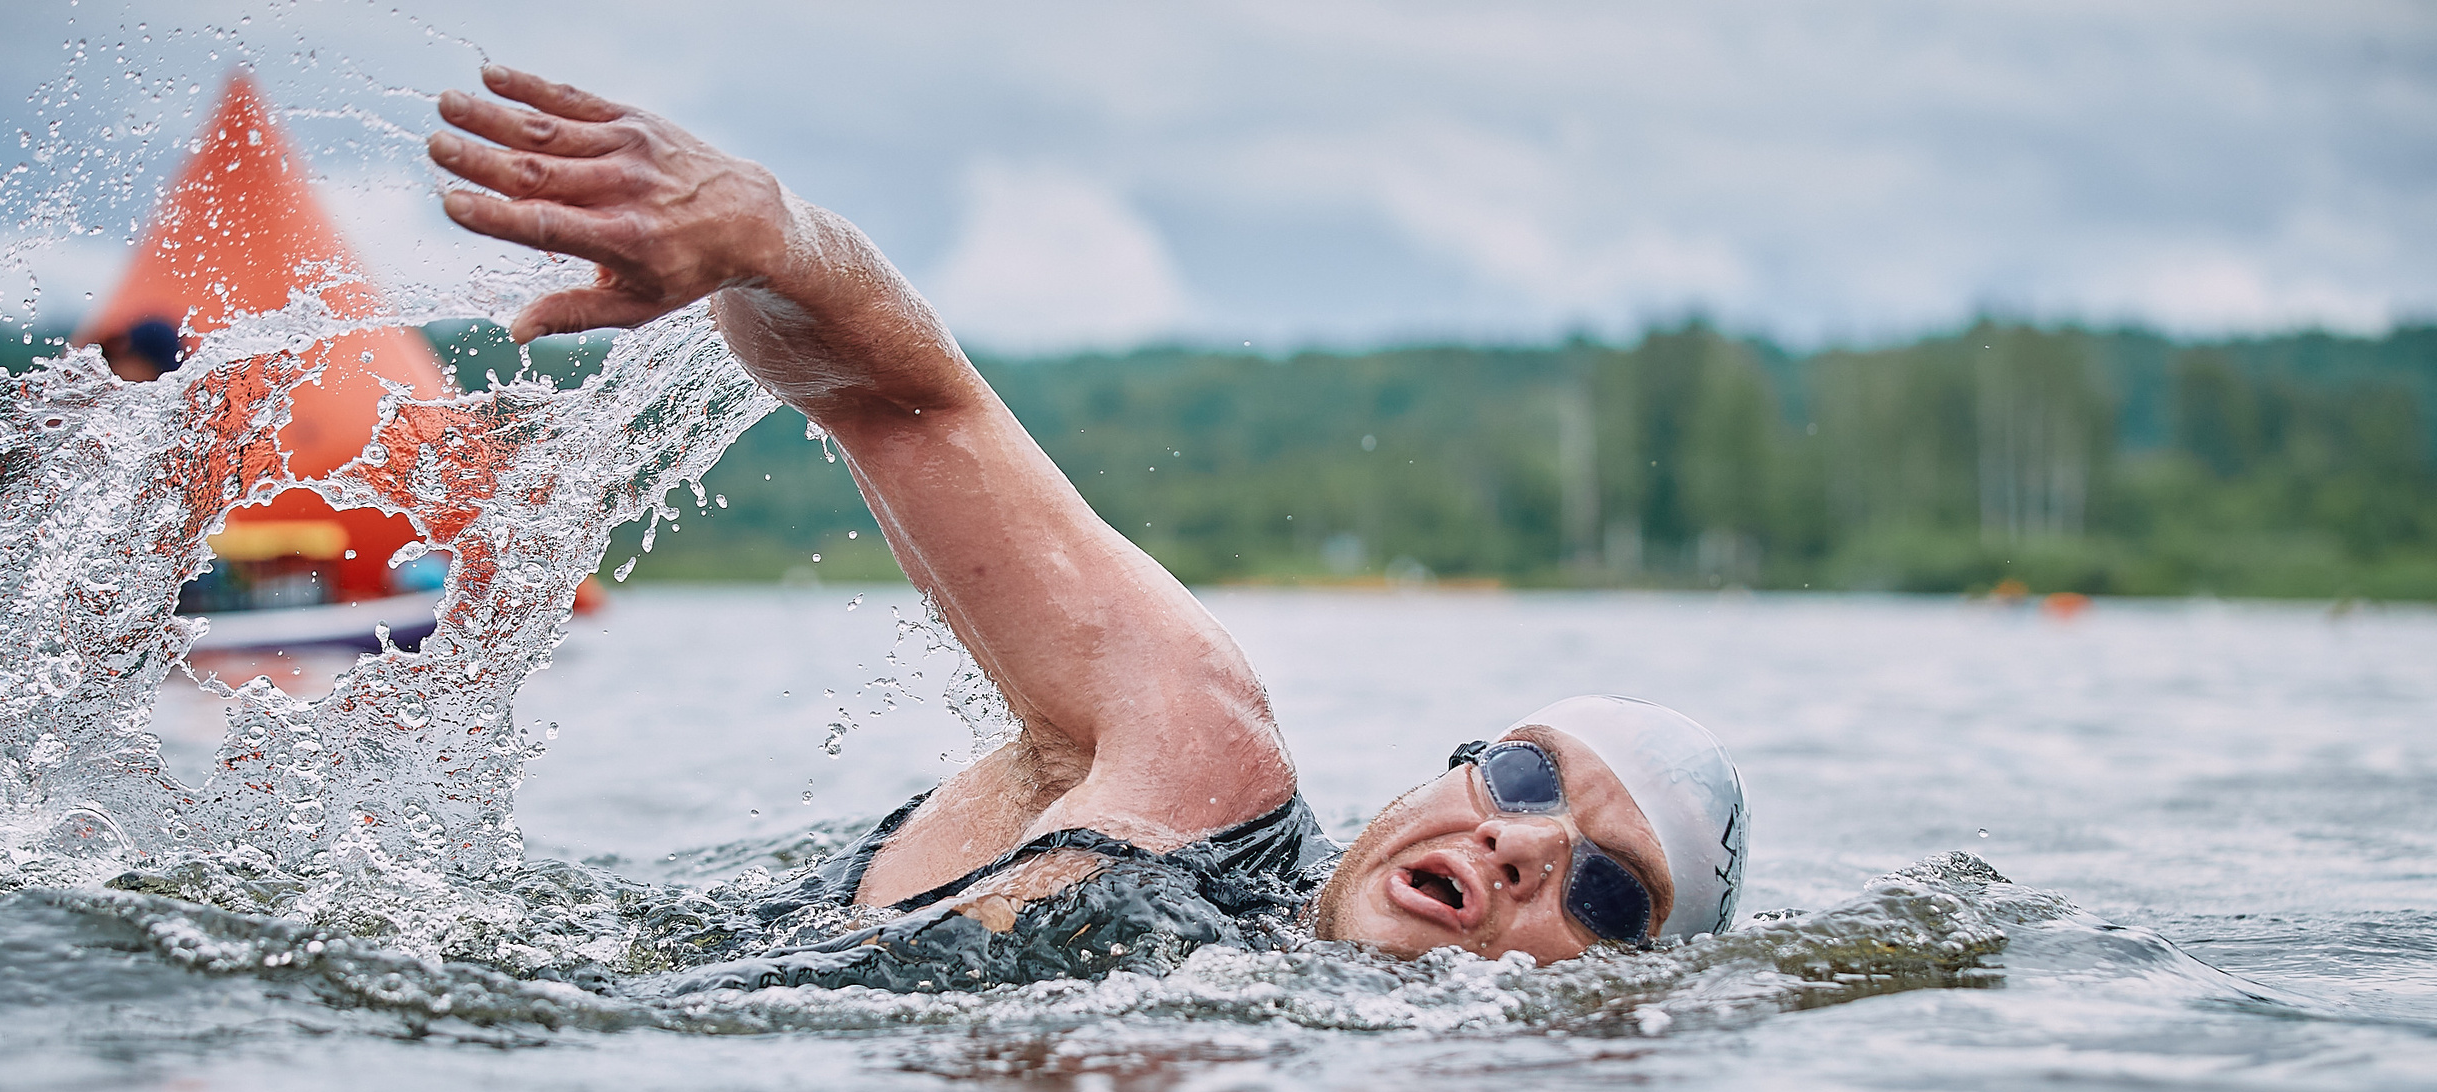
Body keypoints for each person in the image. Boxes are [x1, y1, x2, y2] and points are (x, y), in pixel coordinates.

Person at [426, 66, 1745, 986]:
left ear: (1616, 1006)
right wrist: (766, 232)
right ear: (1427, 783)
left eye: (1610, 896)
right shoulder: (1195, 775)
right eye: (1523, 779)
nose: (1523, 844)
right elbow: (903, 403)